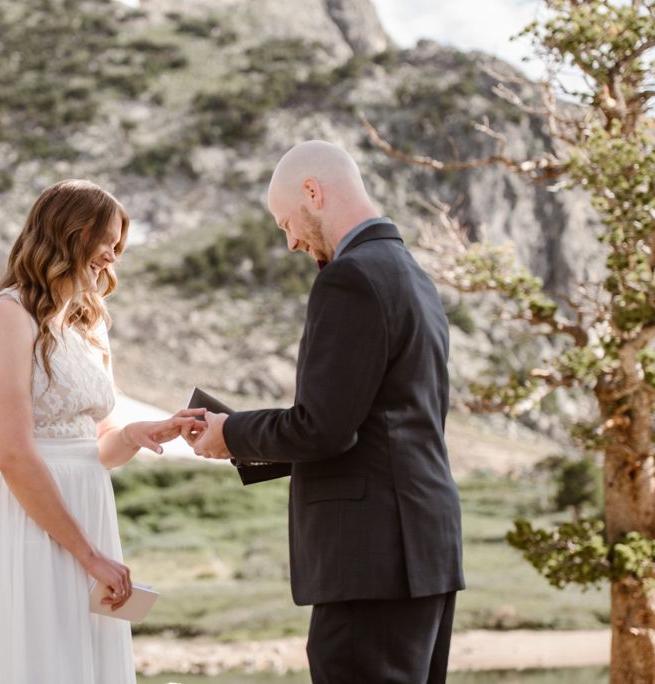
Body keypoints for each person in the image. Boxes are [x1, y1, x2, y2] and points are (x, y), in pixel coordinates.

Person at [188, 141, 465, 683]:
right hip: (421, 553)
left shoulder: (351, 277)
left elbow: (324, 428)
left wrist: (232, 435)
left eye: (286, 222)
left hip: (371, 561)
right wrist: (237, 438)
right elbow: (376, 426)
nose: (290, 241)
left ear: (313, 192)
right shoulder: (412, 275)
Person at [0, 179, 205, 682]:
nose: (113, 257)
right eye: (106, 242)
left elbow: (102, 447)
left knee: (83, 662)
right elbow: (12, 454)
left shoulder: (89, 324)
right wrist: (89, 556)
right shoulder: (7, 317)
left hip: (88, 507)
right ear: (70, 232)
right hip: (29, 518)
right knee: (41, 657)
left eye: (119, 246)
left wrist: (138, 432)